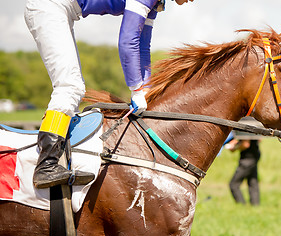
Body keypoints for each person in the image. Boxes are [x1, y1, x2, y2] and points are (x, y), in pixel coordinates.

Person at [24, 0, 193, 189]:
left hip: (63, 10)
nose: (193, 1)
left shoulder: (155, 4)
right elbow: (127, 40)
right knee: (70, 87)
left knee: (74, 87)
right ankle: (46, 166)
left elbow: (142, 47)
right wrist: (136, 90)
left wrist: (146, 91)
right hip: (50, 6)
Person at [226, 139, 261, 206]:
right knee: (253, 182)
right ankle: (255, 206)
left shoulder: (245, 130)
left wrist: (234, 147)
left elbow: (245, 144)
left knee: (233, 184)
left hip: (247, 159)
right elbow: (259, 139)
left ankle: (241, 205)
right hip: (255, 155)